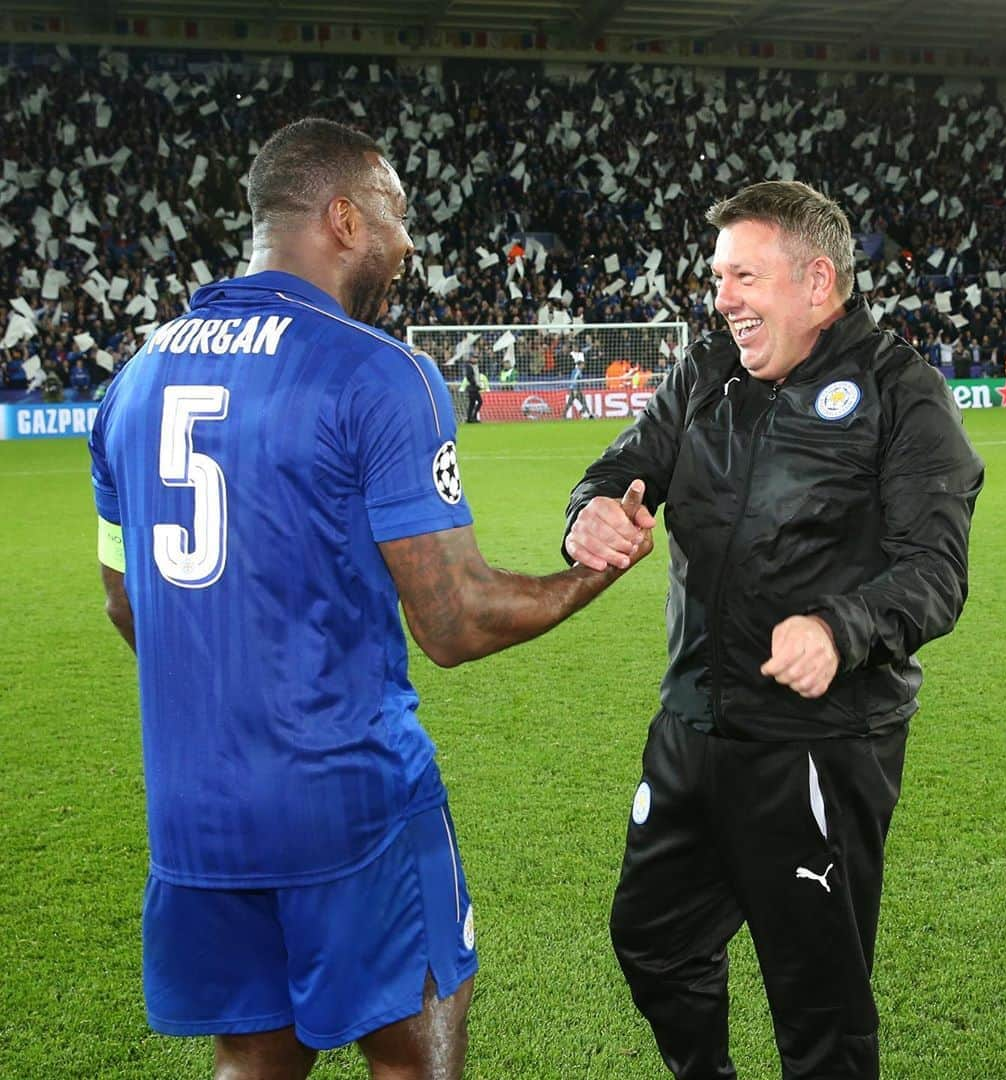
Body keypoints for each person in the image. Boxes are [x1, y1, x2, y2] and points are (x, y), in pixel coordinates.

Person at [88, 118, 651, 1080]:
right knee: (413, 1051)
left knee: (253, 1055)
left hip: (196, 805)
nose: (407, 243)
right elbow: (455, 619)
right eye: (394, 216)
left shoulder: (133, 382)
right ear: (342, 218)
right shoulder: (379, 372)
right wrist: (593, 573)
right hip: (346, 796)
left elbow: (125, 603)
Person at [564, 180, 984, 1080]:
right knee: (652, 940)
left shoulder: (900, 393)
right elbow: (623, 467)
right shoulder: (705, 372)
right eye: (719, 277)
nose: (722, 301)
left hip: (821, 746)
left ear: (818, 281)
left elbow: (935, 572)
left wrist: (839, 629)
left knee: (819, 1007)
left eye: (743, 277)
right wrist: (591, 511)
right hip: (692, 728)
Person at [564, 353, 594, 419]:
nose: (584, 365)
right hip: (575, 390)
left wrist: (586, 383)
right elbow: (574, 380)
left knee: (582, 402)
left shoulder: (577, 371)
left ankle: (589, 415)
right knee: (574, 403)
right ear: (579, 365)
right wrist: (574, 390)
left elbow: (579, 380)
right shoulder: (577, 371)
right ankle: (587, 414)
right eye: (583, 364)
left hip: (577, 389)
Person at [460, 355, 485, 422]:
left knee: (473, 403)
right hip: (472, 387)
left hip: (475, 387)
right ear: (471, 358)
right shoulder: (469, 366)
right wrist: (474, 383)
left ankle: (470, 418)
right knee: (478, 402)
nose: (476, 359)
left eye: (476, 358)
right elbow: (469, 376)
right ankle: (472, 417)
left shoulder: (476, 366)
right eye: (474, 358)